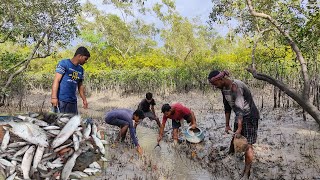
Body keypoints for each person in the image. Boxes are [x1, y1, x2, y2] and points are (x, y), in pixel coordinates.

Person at [208, 70, 260, 179]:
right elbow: (227, 107)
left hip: (250, 115)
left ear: (221, 79)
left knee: (248, 144)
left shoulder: (236, 87)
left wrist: (240, 128)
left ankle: (246, 173)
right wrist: (227, 125)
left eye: (215, 84)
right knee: (235, 136)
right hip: (239, 115)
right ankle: (230, 153)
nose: (215, 87)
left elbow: (240, 109)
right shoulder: (223, 89)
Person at [51, 46, 90, 114]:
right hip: (61, 100)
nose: (86, 61)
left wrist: (84, 99)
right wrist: (54, 98)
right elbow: (56, 80)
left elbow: (80, 86)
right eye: (85, 58)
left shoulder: (81, 70)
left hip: (73, 102)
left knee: (74, 123)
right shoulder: (64, 63)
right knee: (60, 122)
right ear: (80, 56)